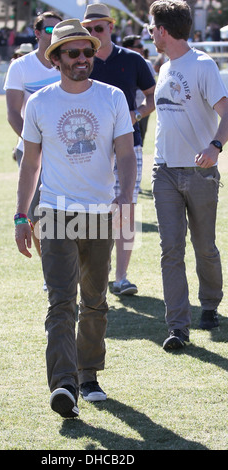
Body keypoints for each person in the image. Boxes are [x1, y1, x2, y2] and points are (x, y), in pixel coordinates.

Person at [14, 19, 137, 418]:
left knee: (96, 300)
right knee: (61, 300)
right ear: (57, 58)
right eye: (73, 53)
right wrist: (20, 216)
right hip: (54, 212)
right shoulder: (41, 102)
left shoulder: (113, 97)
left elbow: (125, 153)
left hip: (100, 212)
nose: (83, 58)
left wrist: (124, 196)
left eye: (88, 51)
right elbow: (30, 164)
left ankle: (89, 375)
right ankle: (64, 384)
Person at [148, 0, 228, 351]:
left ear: (164, 30)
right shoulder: (163, 67)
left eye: (152, 28)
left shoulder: (203, 65)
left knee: (204, 247)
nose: (150, 34)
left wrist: (214, 147)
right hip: (164, 170)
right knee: (171, 250)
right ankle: (177, 327)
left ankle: (210, 304)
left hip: (200, 171)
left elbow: (227, 112)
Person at [82, 3, 156, 296]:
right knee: (93, 208)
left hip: (129, 145)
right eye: (88, 30)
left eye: (98, 28)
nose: (93, 34)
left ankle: (121, 277)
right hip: (90, 147)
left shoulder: (133, 60)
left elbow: (151, 98)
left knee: (125, 207)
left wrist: (134, 116)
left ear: (111, 27)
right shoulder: (80, 59)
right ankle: (97, 271)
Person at [4, 11, 63, 259]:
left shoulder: (69, 63)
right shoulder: (21, 67)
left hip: (65, 151)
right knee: (37, 213)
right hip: (31, 151)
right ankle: (50, 271)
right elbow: (13, 113)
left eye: (58, 30)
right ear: (37, 33)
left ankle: (76, 269)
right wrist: (35, 145)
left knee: (68, 213)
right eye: (49, 30)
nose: (54, 35)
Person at [122, 34, 156, 144]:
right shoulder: (120, 63)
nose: (143, 48)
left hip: (143, 106)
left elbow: (153, 89)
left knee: (141, 137)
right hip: (127, 109)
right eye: (139, 45)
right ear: (129, 48)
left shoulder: (146, 63)